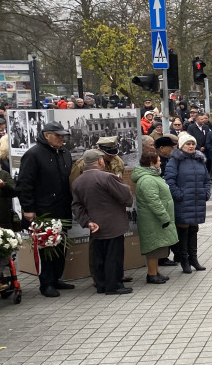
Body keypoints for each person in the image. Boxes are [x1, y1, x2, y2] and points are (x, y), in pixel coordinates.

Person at [17, 121, 75, 298]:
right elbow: (24, 184)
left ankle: (56, 278)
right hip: (44, 210)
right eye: (58, 136)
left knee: (61, 245)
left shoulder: (65, 153)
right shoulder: (33, 154)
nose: (62, 139)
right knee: (47, 247)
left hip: (63, 208)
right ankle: (46, 283)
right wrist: (28, 208)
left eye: (63, 136)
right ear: (46, 135)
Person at [72, 149, 134, 296]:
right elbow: (125, 196)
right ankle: (114, 286)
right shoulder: (107, 177)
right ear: (100, 161)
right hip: (113, 223)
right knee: (114, 256)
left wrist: (87, 222)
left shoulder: (77, 181)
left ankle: (101, 284)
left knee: (98, 256)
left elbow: (76, 206)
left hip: (94, 224)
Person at [131, 148, 179, 284]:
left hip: (155, 219)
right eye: (158, 161)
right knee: (153, 247)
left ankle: (156, 272)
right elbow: (153, 201)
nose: (160, 163)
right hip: (153, 219)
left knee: (158, 246)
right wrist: (164, 217)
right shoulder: (147, 180)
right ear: (151, 163)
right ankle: (151, 274)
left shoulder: (152, 176)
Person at [165, 132, 211, 274]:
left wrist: (206, 193)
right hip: (183, 201)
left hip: (197, 201)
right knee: (183, 230)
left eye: (192, 144)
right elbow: (170, 180)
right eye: (187, 144)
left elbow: (207, 180)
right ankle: (184, 260)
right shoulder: (175, 160)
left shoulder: (200, 160)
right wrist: (180, 195)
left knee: (194, 229)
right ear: (181, 145)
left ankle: (194, 259)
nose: (191, 146)